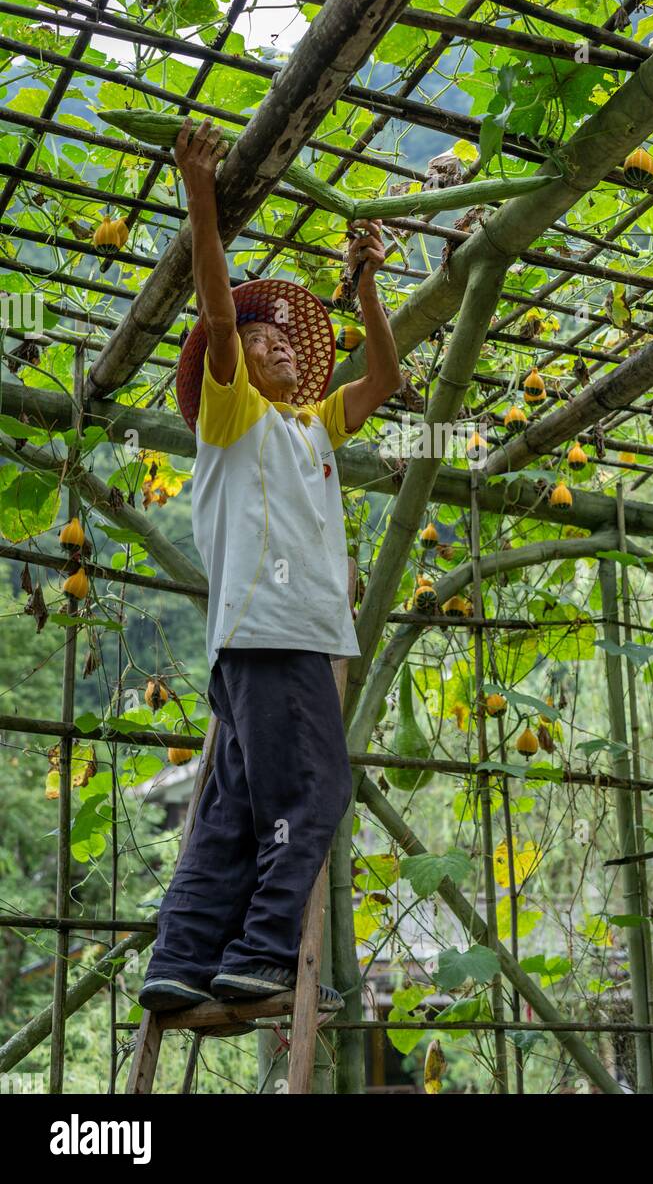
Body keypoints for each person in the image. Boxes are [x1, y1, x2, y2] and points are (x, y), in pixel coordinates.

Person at [139, 117, 401, 1013]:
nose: (280, 342)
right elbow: (218, 312)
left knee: (231, 809)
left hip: (261, 644)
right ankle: (259, 959)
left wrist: (366, 286)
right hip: (276, 635)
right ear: (234, 363)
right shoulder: (234, 416)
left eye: (288, 339)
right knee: (314, 790)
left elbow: (388, 381)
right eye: (264, 339)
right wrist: (202, 197)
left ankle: (178, 961)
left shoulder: (312, 425)